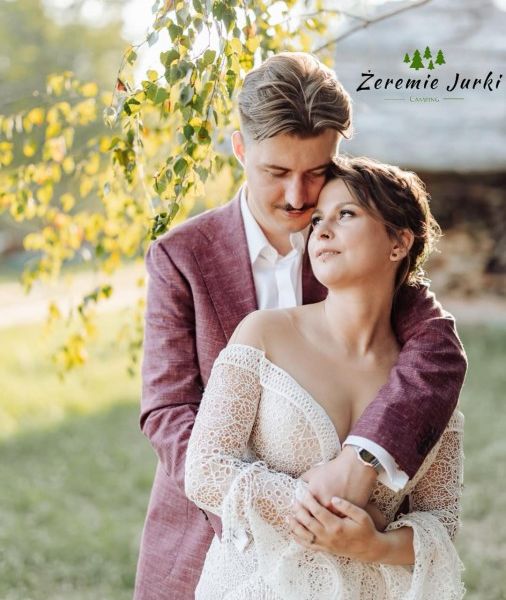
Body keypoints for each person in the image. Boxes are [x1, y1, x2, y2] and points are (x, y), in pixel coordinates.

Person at [134, 53, 466, 600]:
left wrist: (363, 464)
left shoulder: (358, 256)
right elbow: (168, 409)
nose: (297, 197)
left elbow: (439, 352)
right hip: (214, 542)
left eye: (316, 172)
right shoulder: (183, 256)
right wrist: (286, 514)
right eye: (276, 173)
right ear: (241, 150)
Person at [184, 156, 465, 599]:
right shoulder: (264, 334)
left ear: (398, 243)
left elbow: (442, 521)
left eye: (345, 214)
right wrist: (313, 506)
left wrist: (373, 544)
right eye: (317, 220)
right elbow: (205, 469)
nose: (322, 231)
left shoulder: (425, 384)